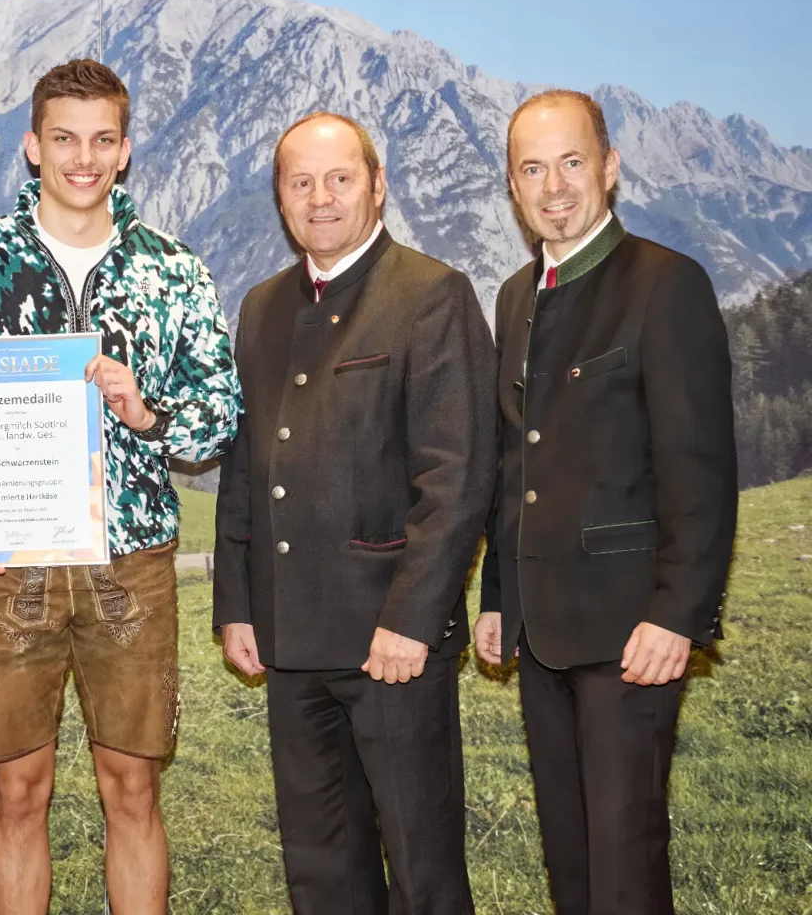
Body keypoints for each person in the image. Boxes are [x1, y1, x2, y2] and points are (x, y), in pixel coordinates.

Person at [0, 58, 240, 915]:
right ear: (33, 147)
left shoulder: (173, 272)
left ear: (125, 151)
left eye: (103, 140)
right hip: (7, 563)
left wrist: (146, 412)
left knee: (133, 790)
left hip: (133, 559)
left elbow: (219, 415)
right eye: (65, 139)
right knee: (17, 792)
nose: (84, 158)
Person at [214, 112, 496, 914]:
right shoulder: (263, 307)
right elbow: (245, 465)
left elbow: (459, 475)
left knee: (422, 870)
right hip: (291, 638)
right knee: (321, 869)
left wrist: (413, 619)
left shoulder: (432, 294)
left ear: (377, 184)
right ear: (279, 198)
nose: (321, 198)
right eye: (300, 183)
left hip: (391, 643)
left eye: (339, 179)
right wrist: (238, 604)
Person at [474, 90, 736, 914]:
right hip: (541, 631)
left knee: (623, 868)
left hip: (633, 632)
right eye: (533, 168)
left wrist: (679, 614)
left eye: (572, 162)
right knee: (572, 864)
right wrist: (495, 600)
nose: (554, 186)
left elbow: (700, 470)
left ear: (611, 168)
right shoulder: (515, 297)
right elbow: (515, 461)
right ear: (514, 189)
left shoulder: (667, 284)